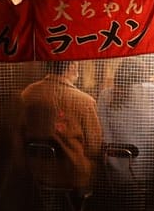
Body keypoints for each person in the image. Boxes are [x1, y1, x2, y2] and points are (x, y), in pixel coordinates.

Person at [18, 60, 103, 192]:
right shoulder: (85, 101)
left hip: (33, 171)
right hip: (72, 175)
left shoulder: (28, 94)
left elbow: (19, 132)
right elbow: (94, 147)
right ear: (72, 66)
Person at [97, 56, 154, 184]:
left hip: (116, 164)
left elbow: (102, 129)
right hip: (148, 167)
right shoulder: (151, 92)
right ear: (142, 74)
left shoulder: (105, 95)